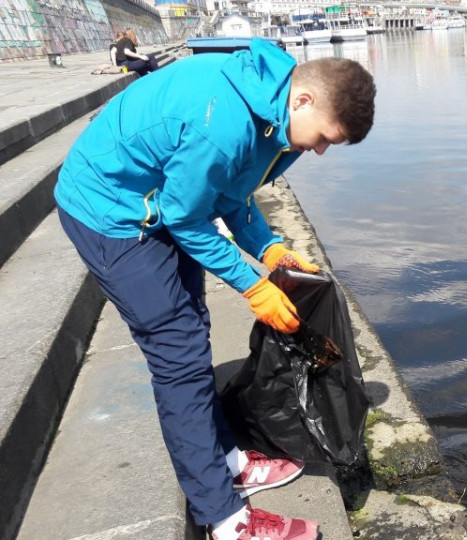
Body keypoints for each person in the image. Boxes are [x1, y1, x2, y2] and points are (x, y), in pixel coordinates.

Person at [55, 38, 376, 540]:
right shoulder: (224, 121)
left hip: (161, 198)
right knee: (177, 355)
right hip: (112, 212)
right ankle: (226, 519)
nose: (319, 151)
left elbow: (228, 193)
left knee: (193, 328)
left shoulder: (271, 109)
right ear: (304, 100)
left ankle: (226, 458)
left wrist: (267, 247)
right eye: (322, 138)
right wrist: (254, 285)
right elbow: (187, 216)